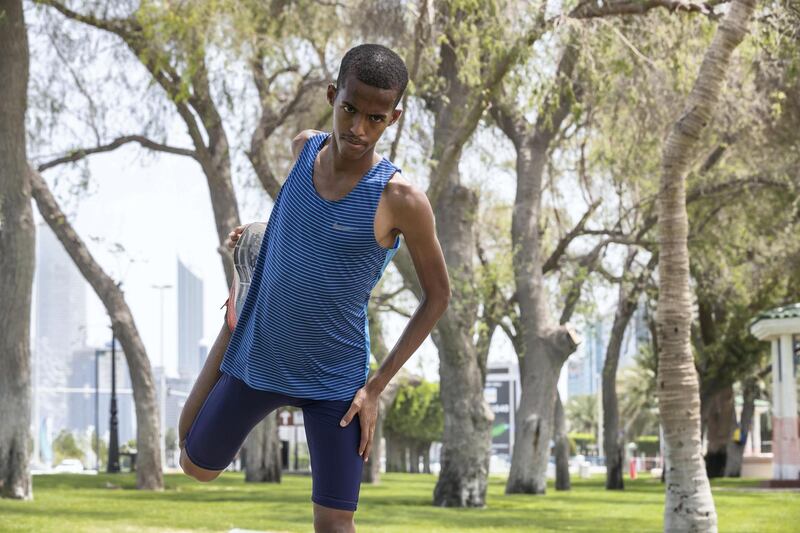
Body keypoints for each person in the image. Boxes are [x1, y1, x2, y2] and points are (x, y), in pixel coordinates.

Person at [177, 43, 450, 533]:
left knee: (335, 524)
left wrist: (376, 386)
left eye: (375, 117)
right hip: (261, 353)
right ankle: (235, 318)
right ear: (332, 95)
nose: (358, 129)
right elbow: (300, 229)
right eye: (349, 109)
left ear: (395, 117)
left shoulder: (402, 199)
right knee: (194, 462)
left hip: (336, 381)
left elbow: (438, 297)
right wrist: (256, 259)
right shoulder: (305, 148)